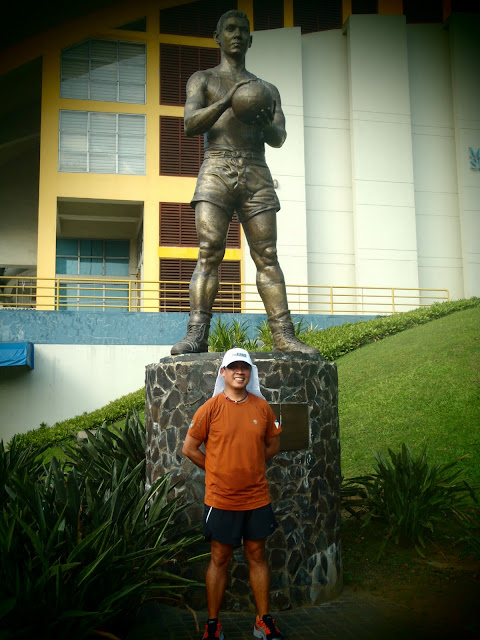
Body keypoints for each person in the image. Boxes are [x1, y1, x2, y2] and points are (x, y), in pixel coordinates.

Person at [171, 9, 317, 357]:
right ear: (217, 37)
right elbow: (190, 124)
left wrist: (264, 123)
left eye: (243, 30)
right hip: (216, 167)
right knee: (209, 253)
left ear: (251, 40)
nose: (236, 34)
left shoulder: (266, 90)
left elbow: (279, 137)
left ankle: (284, 335)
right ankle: (196, 334)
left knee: (267, 255)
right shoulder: (203, 80)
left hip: (256, 169)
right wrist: (226, 102)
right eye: (230, 29)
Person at [182, 348, 284, 640]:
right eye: (234, 366)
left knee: (257, 554)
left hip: (257, 498)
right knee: (219, 558)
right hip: (222, 499)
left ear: (250, 372)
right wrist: (217, 470)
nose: (240, 371)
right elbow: (189, 448)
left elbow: (273, 445)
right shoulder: (210, 408)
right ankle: (213, 624)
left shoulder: (261, 407)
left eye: (245, 367)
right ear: (223, 372)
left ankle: (263, 621)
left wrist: (251, 464)